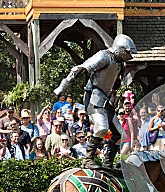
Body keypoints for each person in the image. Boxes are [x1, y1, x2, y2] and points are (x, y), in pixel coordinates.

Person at [54, 34, 137, 169]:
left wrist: (114, 98)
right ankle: (87, 159)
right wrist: (62, 87)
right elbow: (79, 69)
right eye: (127, 52)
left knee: (120, 135)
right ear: (121, 49)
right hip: (93, 96)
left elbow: (114, 84)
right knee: (101, 128)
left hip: (106, 99)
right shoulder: (104, 56)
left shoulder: (119, 63)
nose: (129, 55)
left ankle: (108, 163)